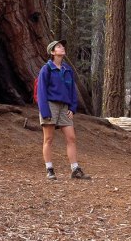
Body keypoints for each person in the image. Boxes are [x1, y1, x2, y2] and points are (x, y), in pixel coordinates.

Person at [37, 39, 88, 180]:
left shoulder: (67, 70)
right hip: (50, 105)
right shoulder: (46, 69)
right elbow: (41, 92)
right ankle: (49, 169)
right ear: (53, 52)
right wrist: (45, 111)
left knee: (71, 138)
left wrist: (72, 107)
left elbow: (72, 91)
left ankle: (75, 169)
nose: (62, 48)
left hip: (65, 107)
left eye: (62, 46)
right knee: (48, 138)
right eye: (58, 47)